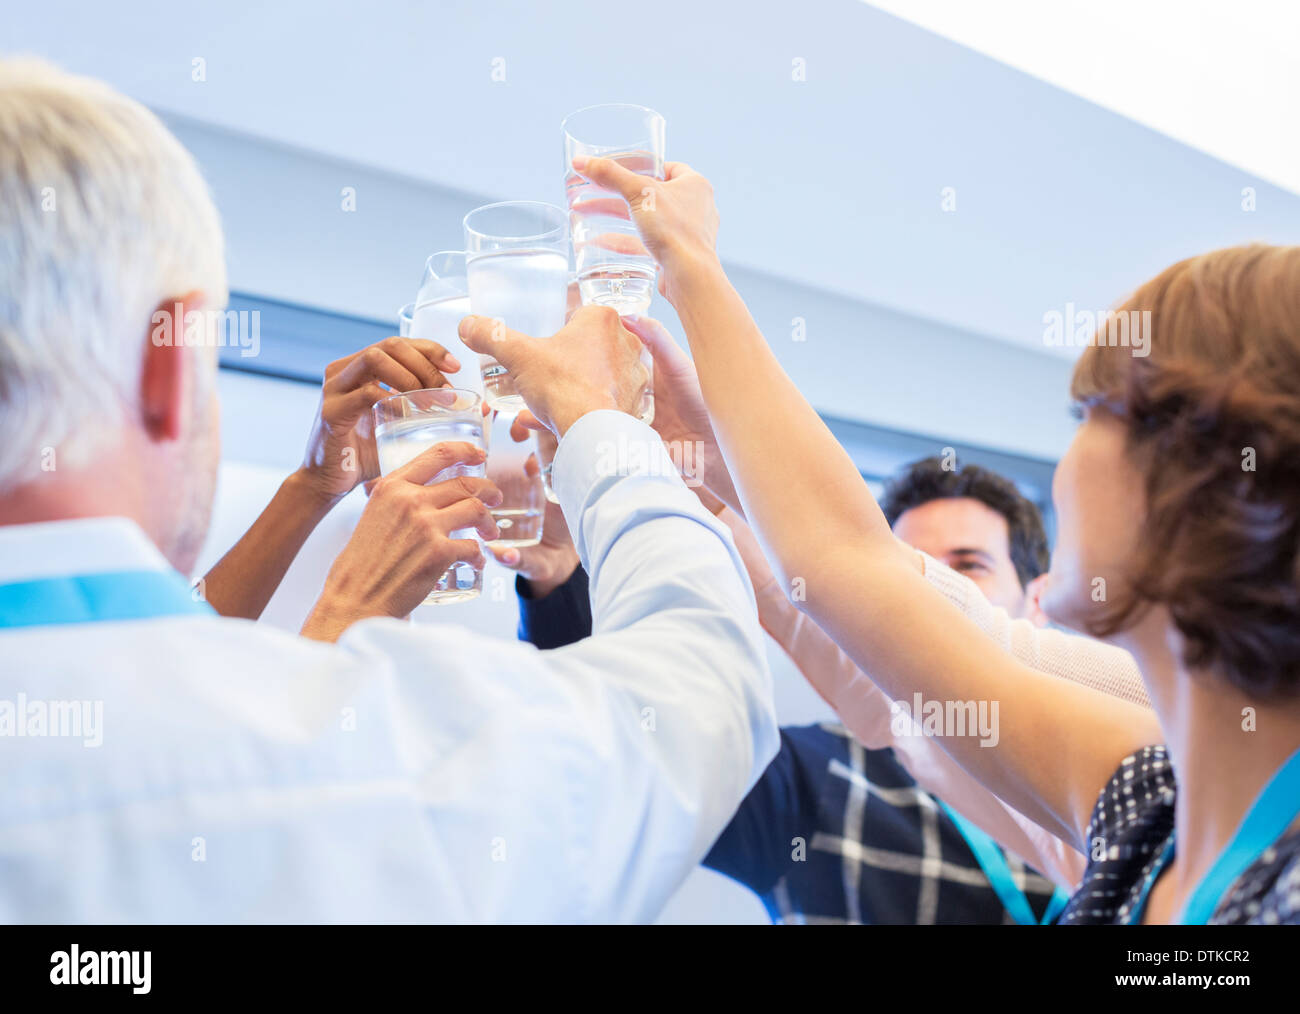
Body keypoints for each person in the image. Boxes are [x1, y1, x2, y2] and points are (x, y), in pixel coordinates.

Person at [0, 59, 778, 923]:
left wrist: (312, 487)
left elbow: (151, 664)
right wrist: (605, 427)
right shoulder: (359, 756)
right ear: (169, 368)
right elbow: (700, 686)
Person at [497, 151, 1299, 924]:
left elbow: (859, 574)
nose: (1064, 467)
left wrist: (685, 279)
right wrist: (711, 448)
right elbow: (853, 578)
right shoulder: (1149, 798)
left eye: (1089, 413)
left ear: (1201, 480)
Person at [501, 456, 1075, 922]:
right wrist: (559, 580)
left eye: (967, 568)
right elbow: (631, 754)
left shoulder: (1093, 767)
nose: (935, 594)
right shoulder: (814, 774)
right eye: (914, 570)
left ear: (1039, 600)